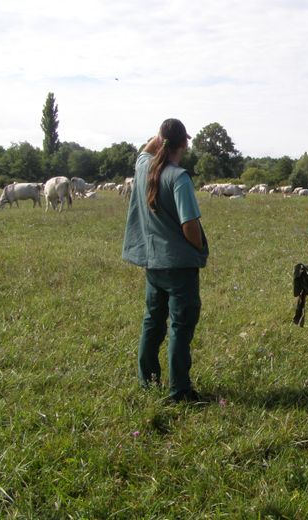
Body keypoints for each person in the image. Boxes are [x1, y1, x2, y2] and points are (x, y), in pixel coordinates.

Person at [122, 118, 209, 403]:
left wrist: (158, 137)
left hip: (153, 263)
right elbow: (190, 226)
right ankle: (180, 391)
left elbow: (145, 151)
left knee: (153, 321)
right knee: (180, 327)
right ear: (185, 143)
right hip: (179, 266)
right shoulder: (179, 177)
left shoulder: (143, 167)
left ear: (160, 139)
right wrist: (198, 248)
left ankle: (147, 380)